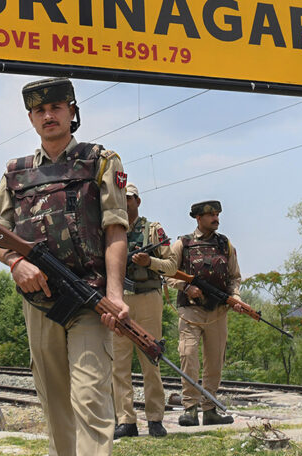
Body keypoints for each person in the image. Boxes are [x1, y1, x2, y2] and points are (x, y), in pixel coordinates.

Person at [0, 77, 130, 456]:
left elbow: (115, 229)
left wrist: (115, 295)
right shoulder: (15, 172)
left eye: (55, 108)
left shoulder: (100, 161)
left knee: (91, 398)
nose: (48, 116)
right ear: (31, 118)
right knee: (54, 405)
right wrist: (15, 262)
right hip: (40, 302)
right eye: (39, 110)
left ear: (72, 112)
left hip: (90, 299)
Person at [111, 184, 176, 438]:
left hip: (148, 298)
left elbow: (172, 266)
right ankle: (125, 420)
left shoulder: (153, 230)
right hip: (119, 299)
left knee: (151, 359)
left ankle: (155, 418)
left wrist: (149, 262)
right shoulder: (110, 230)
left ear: (137, 201)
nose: (124, 203)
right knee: (119, 364)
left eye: (128, 198)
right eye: (120, 198)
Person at [168, 200, 240, 427]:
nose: (216, 218)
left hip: (218, 311)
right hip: (190, 311)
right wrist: (186, 287)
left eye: (217, 214)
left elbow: (234, 277)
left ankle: (209, 410)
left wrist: (235, 297)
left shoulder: (225, 244)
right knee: (188, 356)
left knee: (215, 361)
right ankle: (190, 408)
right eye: (211, 215)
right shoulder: (182, 244)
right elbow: (168, 273)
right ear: (198, 218)